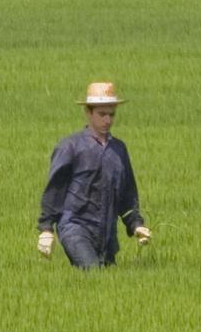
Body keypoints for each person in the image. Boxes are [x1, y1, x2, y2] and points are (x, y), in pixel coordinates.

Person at [36, 82, 151, 268]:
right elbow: (55, 188)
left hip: (107, 233)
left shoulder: (119, 150)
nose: (107, 120)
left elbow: (127, 194)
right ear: (88, 113)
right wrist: (46, 229)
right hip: (75, 226)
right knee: (92, 270)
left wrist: (136, 224)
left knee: (104, 285)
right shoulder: (71, 147)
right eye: (102, 114)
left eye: (111, 114)